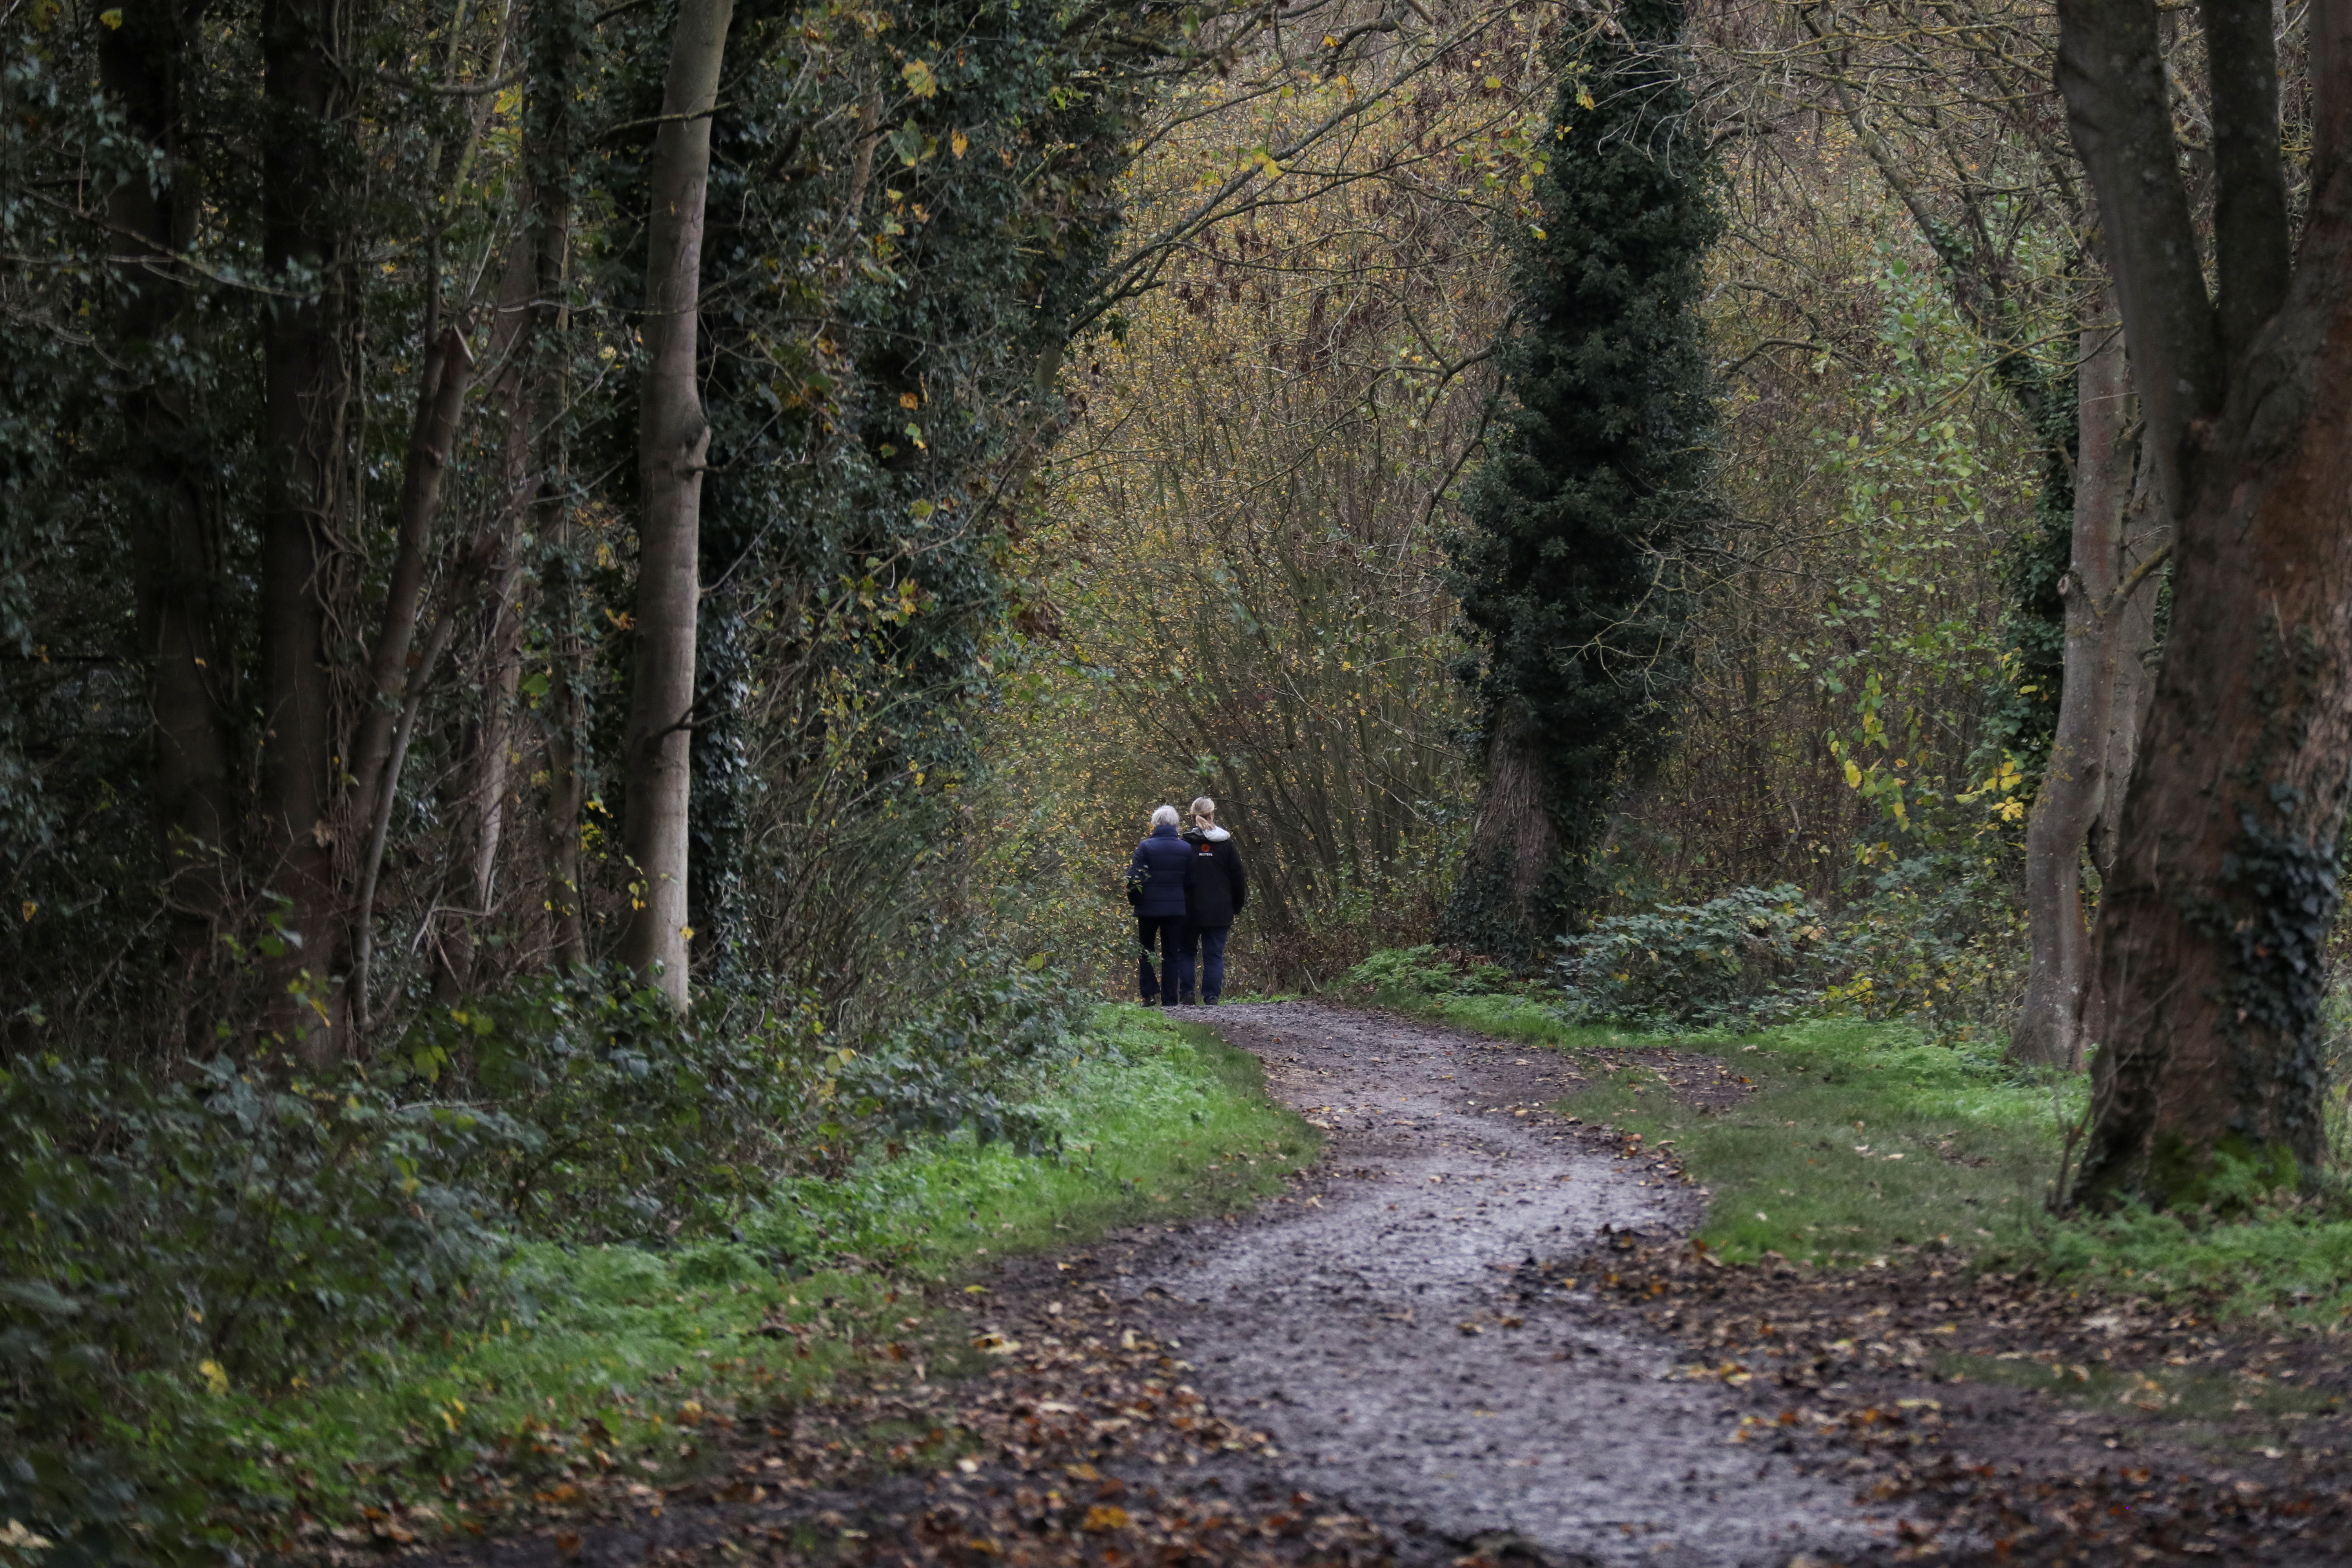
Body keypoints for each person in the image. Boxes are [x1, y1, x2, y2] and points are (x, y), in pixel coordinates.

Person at [1179, 796, 1247, 1005]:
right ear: (1212, 814)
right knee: (1214, 955)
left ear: (1192, 816)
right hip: (1220, 910)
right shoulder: (1226, 844)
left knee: (1187, 952)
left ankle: (1187, 994)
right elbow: (1238, 878)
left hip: (1189, 909)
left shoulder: (1183, 845)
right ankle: (1212, 997)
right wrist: (1236, 906)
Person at [1125, 804, 1195, 1005]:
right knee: (1172, 953)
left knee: (1146, 950)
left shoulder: (1146, 847)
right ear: (1176, 825)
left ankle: (1148, 994)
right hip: (1175, 909)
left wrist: (1135, 901)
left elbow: (1134, 879)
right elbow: (1191, 882)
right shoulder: (1186, 848)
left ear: (1155, 824)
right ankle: (1170, 1000)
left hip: (1148, 908)